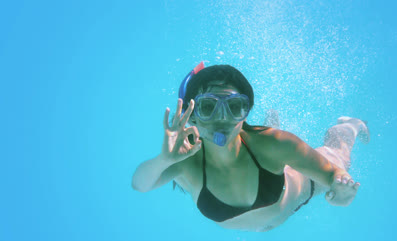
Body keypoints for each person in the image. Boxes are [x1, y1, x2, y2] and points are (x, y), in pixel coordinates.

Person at [132, 62, 370, 232]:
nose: (221, 119)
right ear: (192, 117)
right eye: (207, 108)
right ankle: (271, 121)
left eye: (234, 107)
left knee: (340, 157)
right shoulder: (185, 161)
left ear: (245, 115)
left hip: (300, 187)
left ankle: (348, 125)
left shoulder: (276, 143)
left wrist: (341, 187)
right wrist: (164, 159)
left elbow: (332, 175)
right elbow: (140, 184)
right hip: (267, 186)